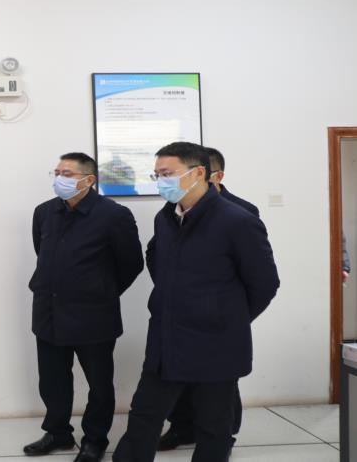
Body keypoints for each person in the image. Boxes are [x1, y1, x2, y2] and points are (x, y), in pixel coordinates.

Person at [112, 142, 279, 462]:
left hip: (216, 343)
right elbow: (160, 263)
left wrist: (225, 317)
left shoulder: (237, 220)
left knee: (214, 428)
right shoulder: (166, 217)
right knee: (144, 417)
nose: (161, 181)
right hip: (165, 338)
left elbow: (265, 283)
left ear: (198, 173)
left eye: (167, 173)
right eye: (157, 175)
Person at [25, 152, 144, 461]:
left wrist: (101, 291)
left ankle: (95, 439)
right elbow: (42, 252)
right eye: (56, 172)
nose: (59, 179)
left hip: (94, 315)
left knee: (99, 384)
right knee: (52, 380)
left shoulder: (113, 215)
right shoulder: (44, 212)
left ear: (88, 180)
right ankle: (58, 433)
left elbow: (131, 263)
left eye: (67, 174)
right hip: (49, 311)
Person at [157, 147, 255, 451]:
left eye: (169, 174)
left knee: (220, 386)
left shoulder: (240, 212)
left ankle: (224, 435)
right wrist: (170, 286)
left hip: (218, 320)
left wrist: (230, 312)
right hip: (179, 315)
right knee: (178, 376)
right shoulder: (172, 211)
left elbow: (258, 278)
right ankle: (181, 427)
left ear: (211, 175)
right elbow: (155, 252)